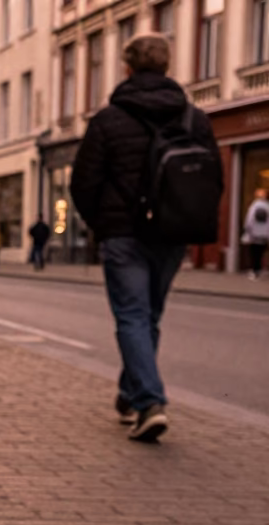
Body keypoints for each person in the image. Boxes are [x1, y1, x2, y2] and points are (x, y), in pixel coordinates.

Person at [71, 33, 222, 442]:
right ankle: (130, 394)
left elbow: (83, 183)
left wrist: (102, 225)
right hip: (173, 234)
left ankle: (149, 401)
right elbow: (214, 181)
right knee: (148, 316)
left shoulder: (108, 120)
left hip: (124, 235)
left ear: (128, 67)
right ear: (168, 66)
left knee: (133, 316)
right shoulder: (194, 119)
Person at [243, 188, 269, 280]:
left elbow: (249, 220)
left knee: (254, 253)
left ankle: (254, 271)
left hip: (254, 234)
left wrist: (247, 230)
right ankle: (259, 269)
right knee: (261, 253)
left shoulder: (254, 206)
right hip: (264, 235)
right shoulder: (267, 206)